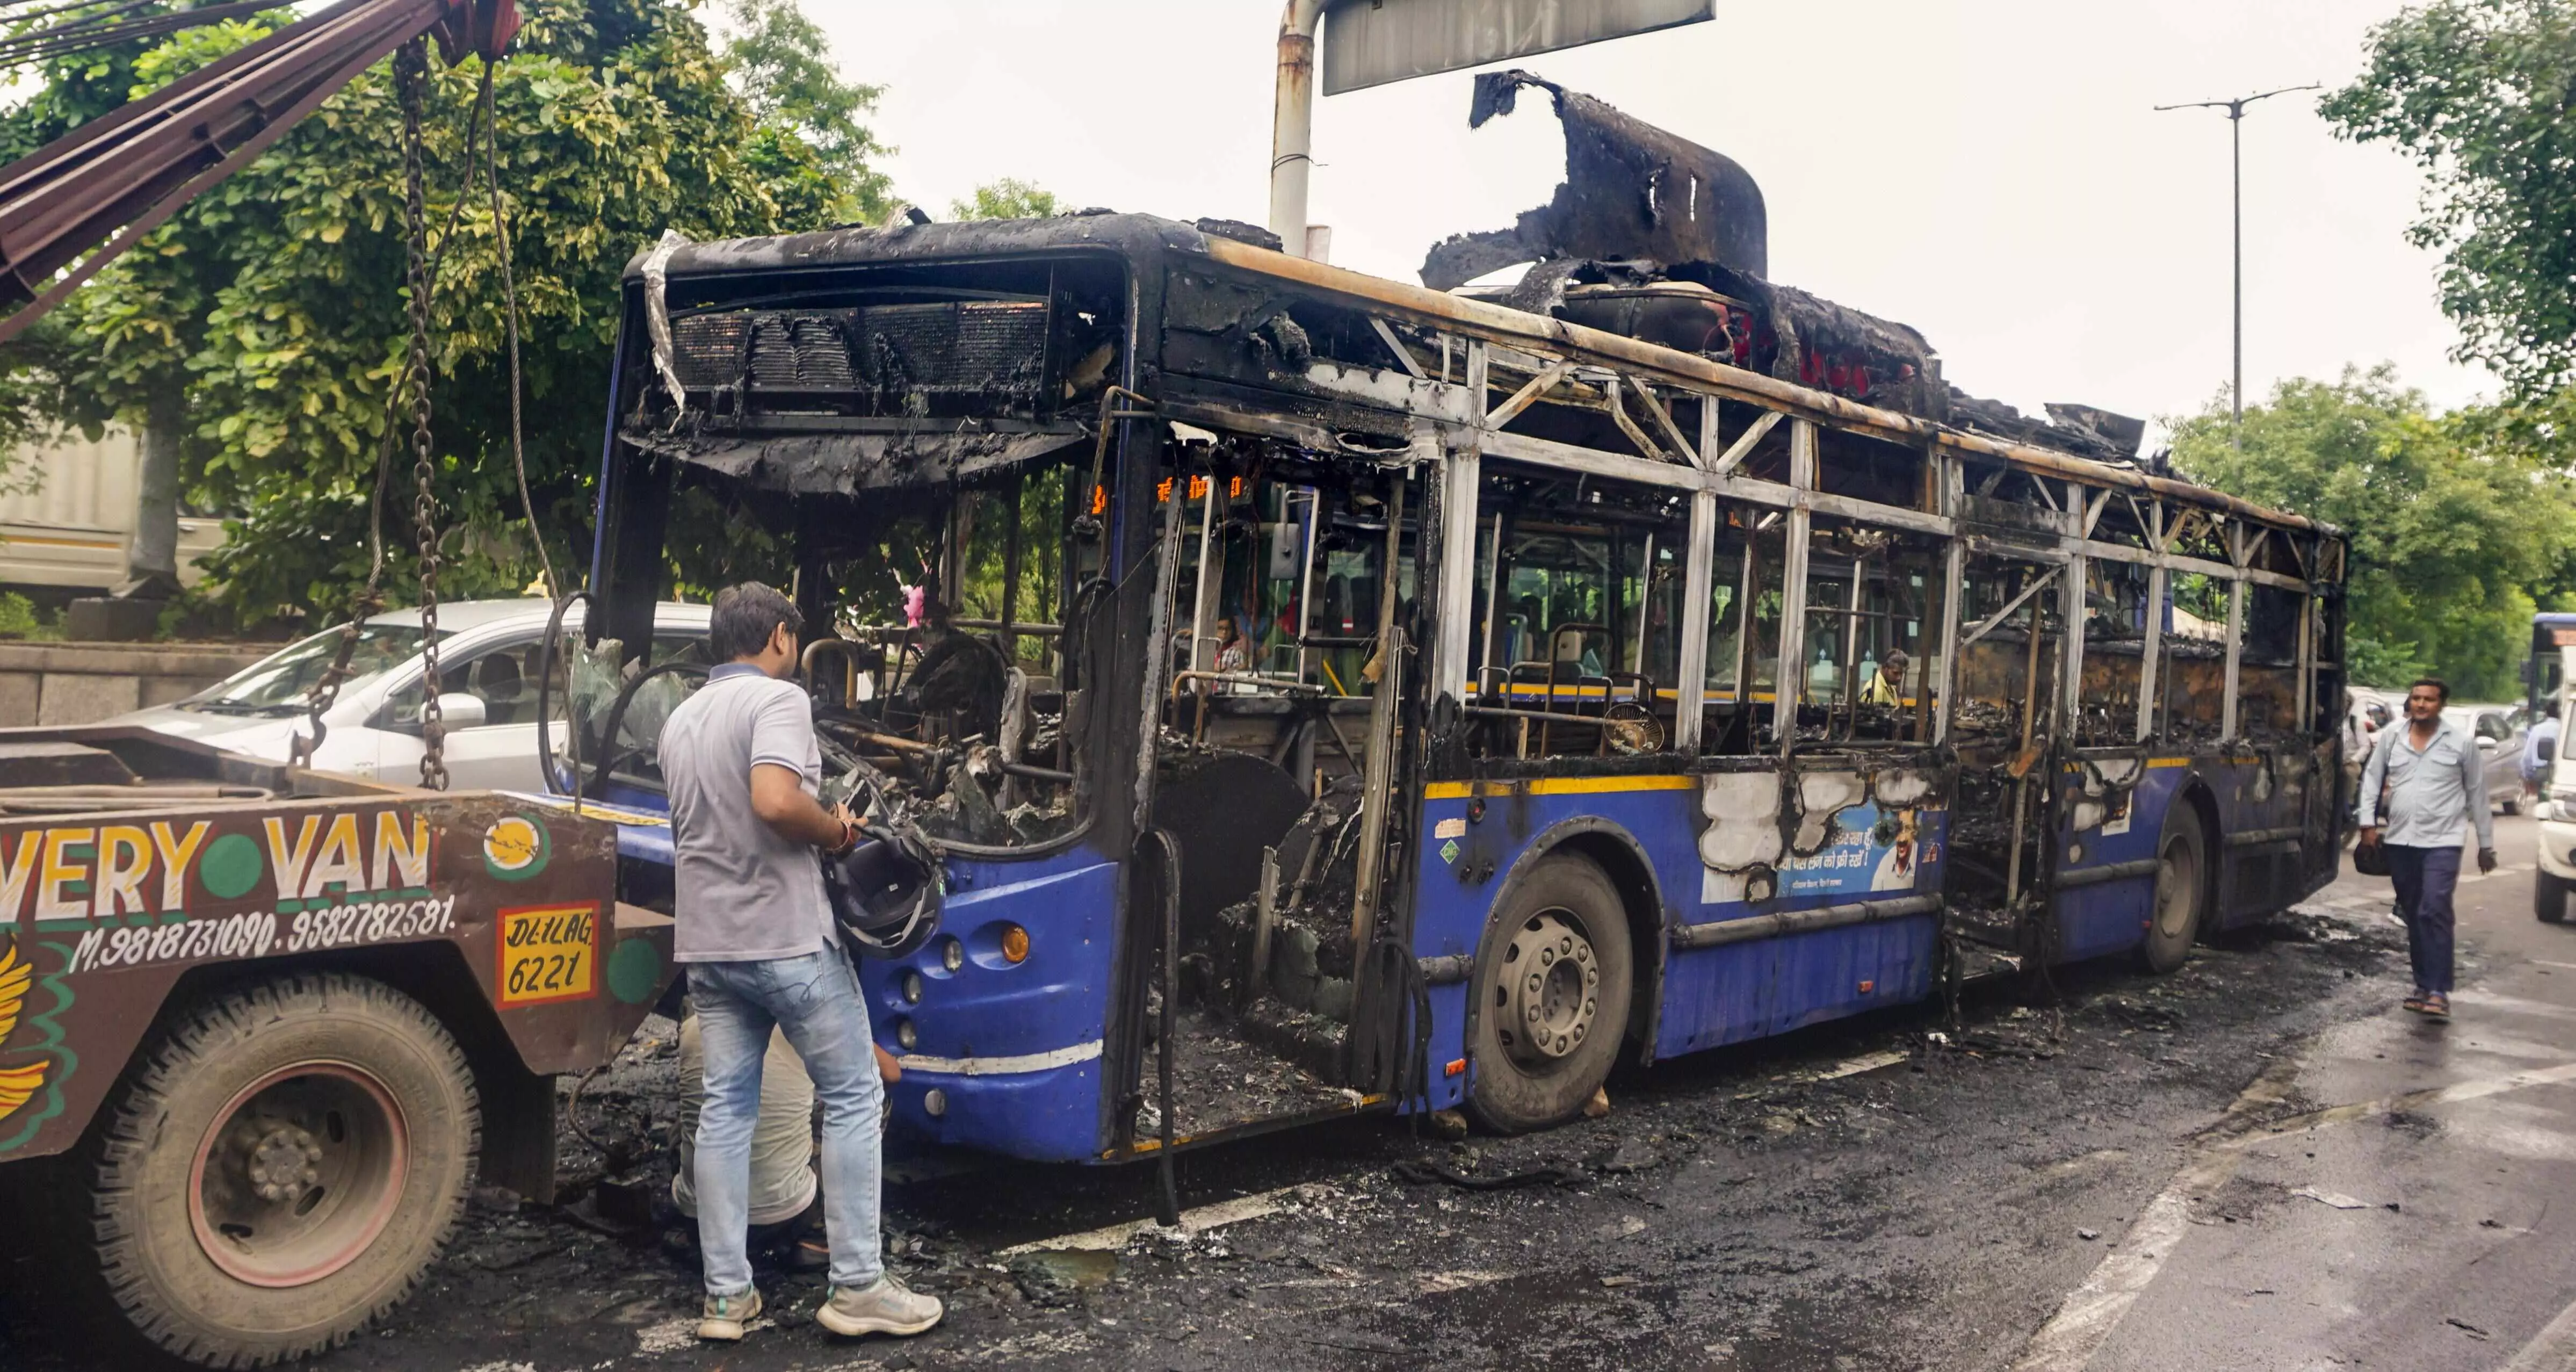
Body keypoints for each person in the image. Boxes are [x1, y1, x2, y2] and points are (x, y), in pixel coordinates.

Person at [660, 582, 944, 1344]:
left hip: (710, 946)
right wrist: (841, 833)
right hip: (784, 937)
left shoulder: (681, 718)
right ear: (782, 636)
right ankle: (858, 1286)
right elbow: (777, 802)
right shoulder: (777, 702)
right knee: (853, 1094)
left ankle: (727, 1297)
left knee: (726, 1110)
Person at [2356, 676, 2498, 1023]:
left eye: (2429, 700)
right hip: (2401, 840)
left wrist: (2486, 845)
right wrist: (2367, 825)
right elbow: (2372, 779)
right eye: (2416, 698)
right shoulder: (2392, 737)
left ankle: (2439, 991)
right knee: (2414, 912)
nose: (2421, 704)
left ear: (2441, 705)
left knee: (2434, 908)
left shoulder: (2461, 744)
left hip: (2443, 841)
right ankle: (2423, 985)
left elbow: (2478, 794)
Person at [2522, 698, 2560, 803]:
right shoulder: (2564, 729)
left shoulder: (2537, 729)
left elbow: (2527, 756)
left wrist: (2528, 777)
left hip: (2541, 773)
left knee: (2543, 804)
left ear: (2546, 713)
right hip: (2560, 772)